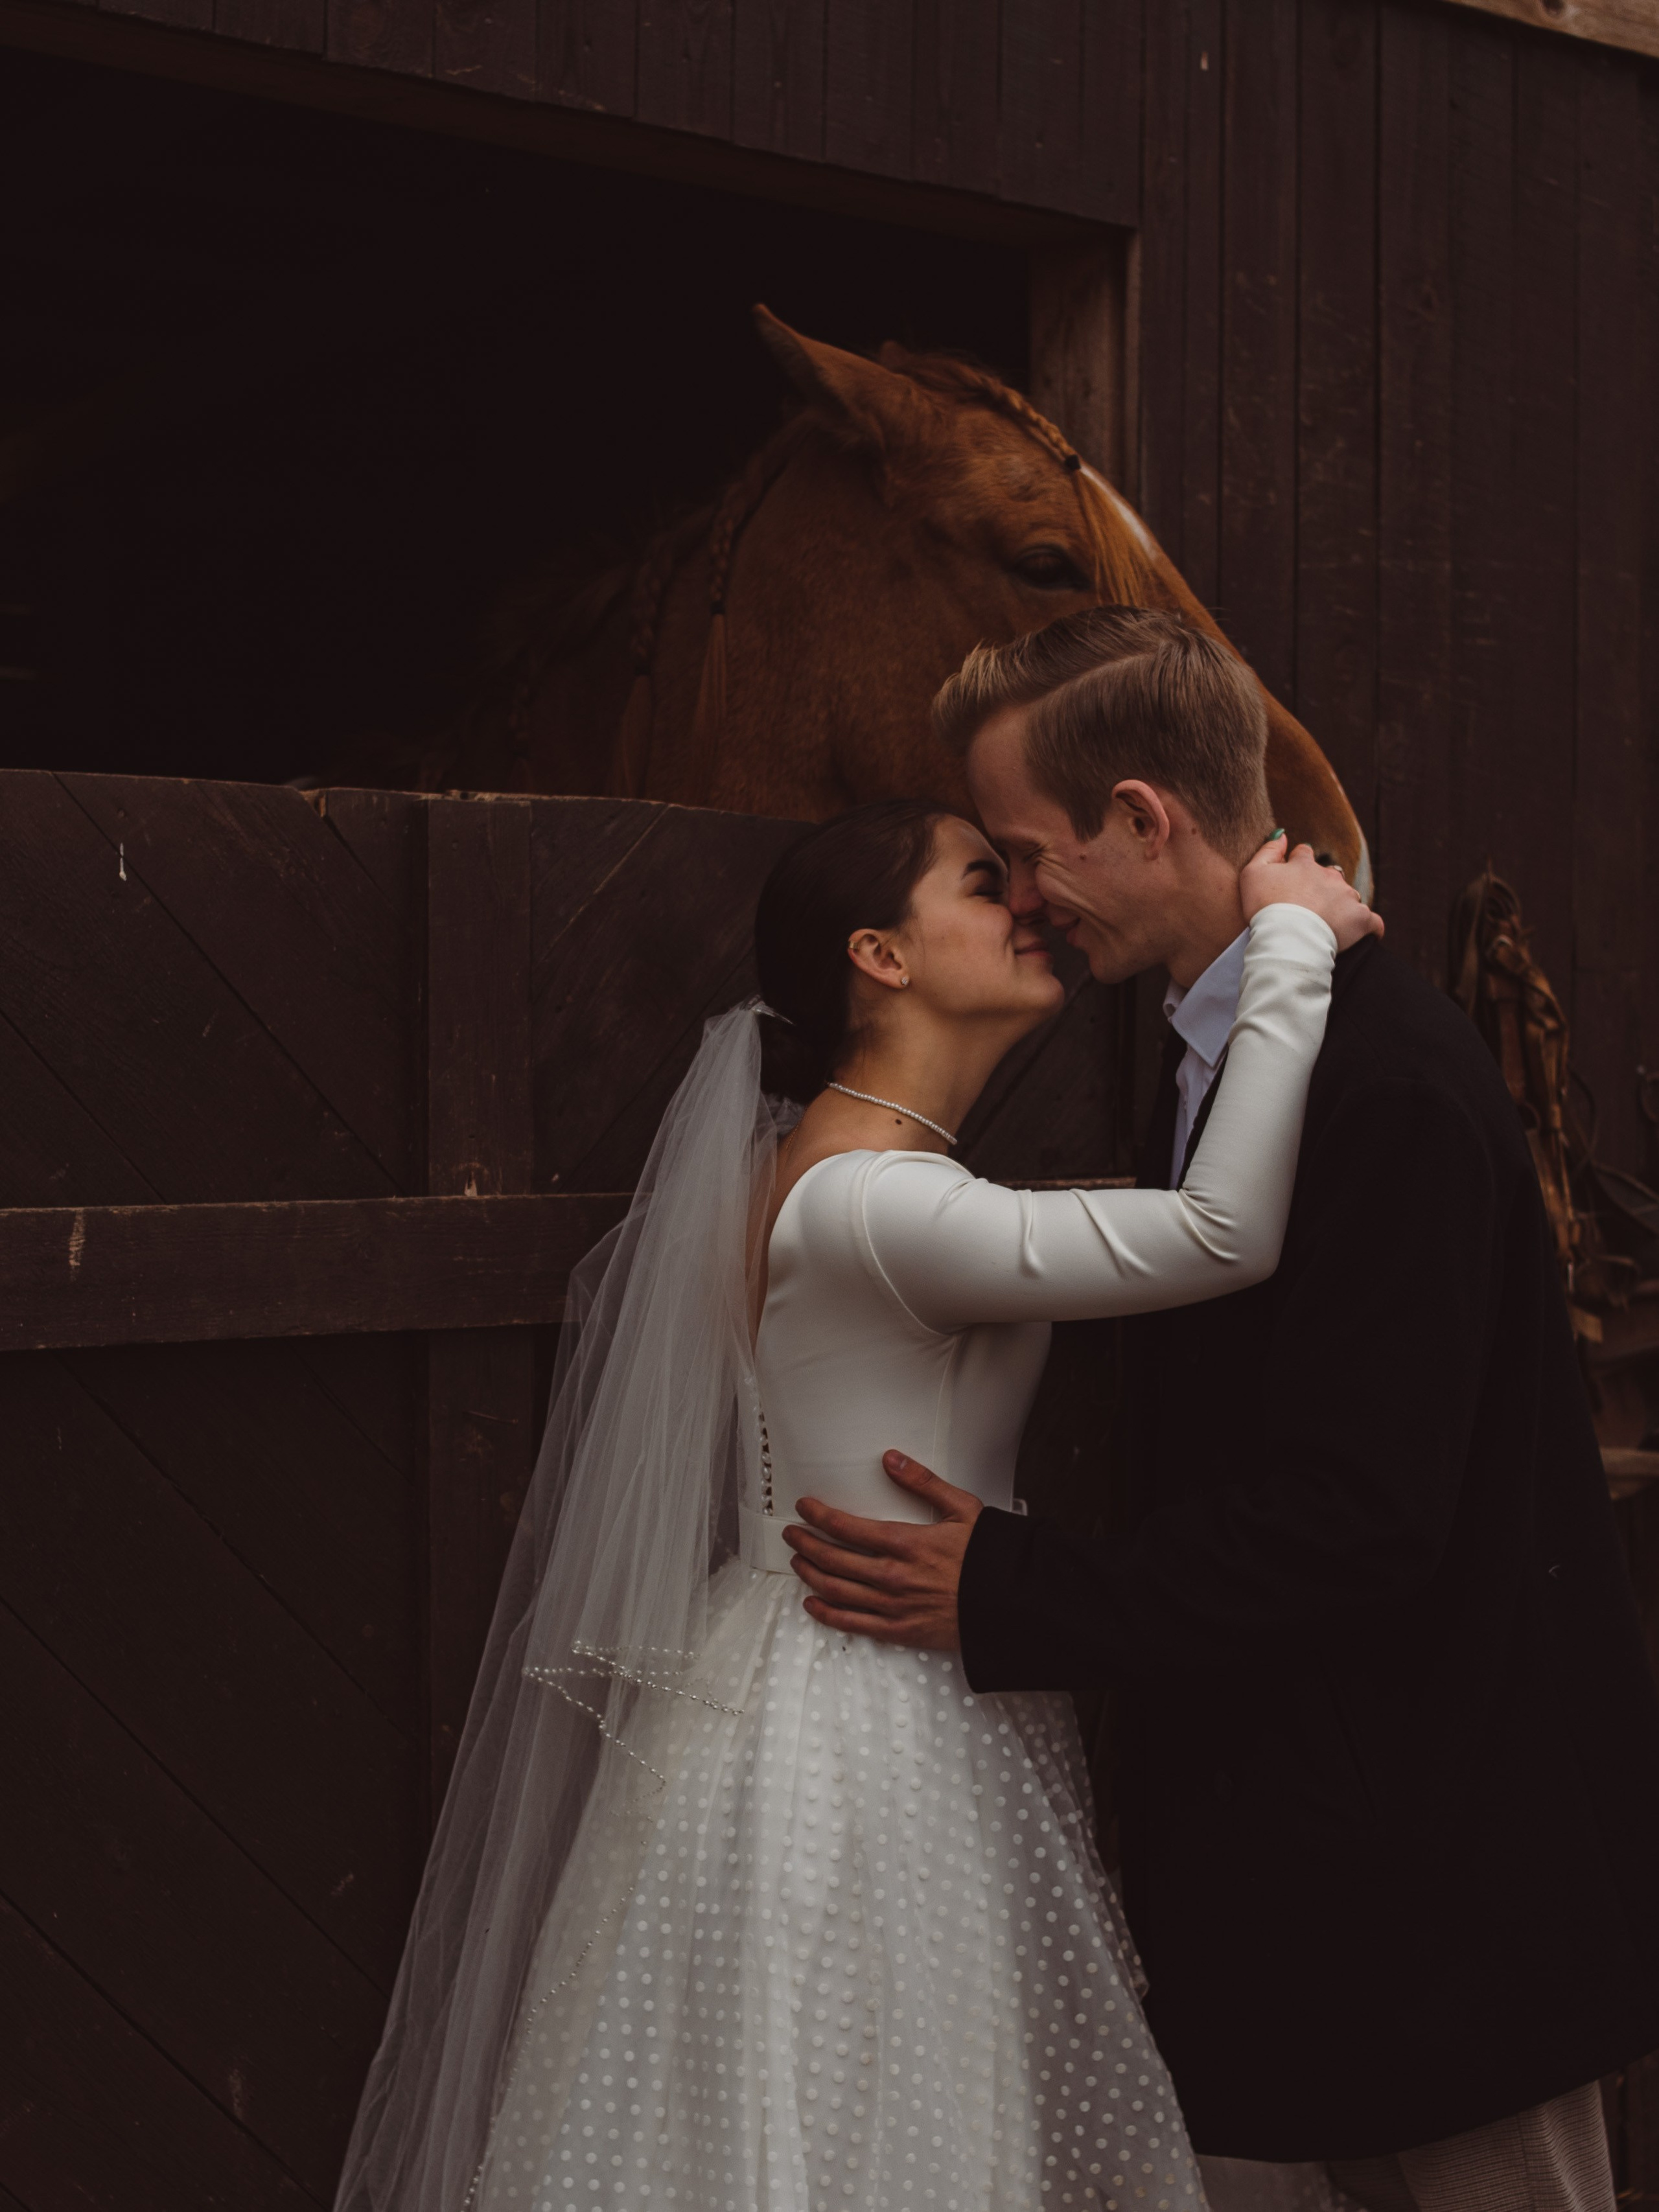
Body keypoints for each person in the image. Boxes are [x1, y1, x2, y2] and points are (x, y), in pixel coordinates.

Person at [333, 752, 1376, 2211]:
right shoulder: (880, 1204)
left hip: (816, 1688)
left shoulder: (860, 1178)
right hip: (869, 1729)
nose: (1025, 901)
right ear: (877, 959)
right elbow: (1217, 1233)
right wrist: (1284, 943)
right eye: (979, 879)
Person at [783, 607, 1659, 2212]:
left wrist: (1013, 1591)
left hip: (1442, 1858)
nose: (1026, 900)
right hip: (1308, 1848)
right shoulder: (1219, 1050)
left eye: (1027, 854)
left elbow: (1360, 1516)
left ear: (1141, 819)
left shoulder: (1380, 1079)